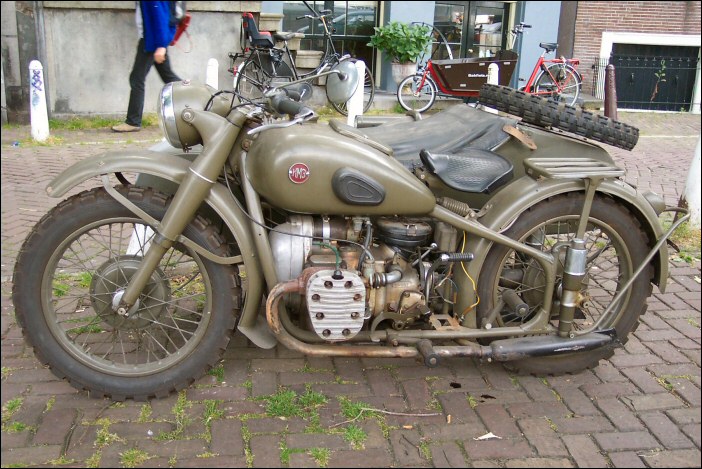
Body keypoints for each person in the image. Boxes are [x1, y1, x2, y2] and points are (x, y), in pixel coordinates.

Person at [112, 1, 182, 133]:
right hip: (152, 40)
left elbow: (160, 16)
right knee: (169, 78)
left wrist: (161, 46)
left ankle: (133, 121)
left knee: (136, 79)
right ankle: (197, 101)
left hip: (151, 42)